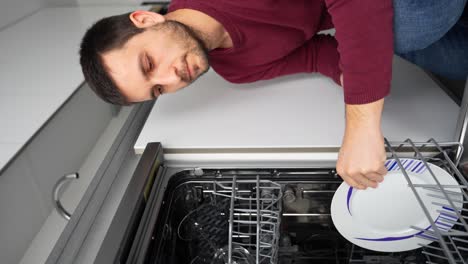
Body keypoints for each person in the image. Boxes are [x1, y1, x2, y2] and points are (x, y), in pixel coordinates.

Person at [79, 0, 468, 190]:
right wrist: (356, 72)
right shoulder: (236, 70)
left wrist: (362, 122)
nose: (172, 77)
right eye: (158, 89)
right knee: (439, 56)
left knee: (404, 29)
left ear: (145, 19)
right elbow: (320, 55)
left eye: (149, 63)